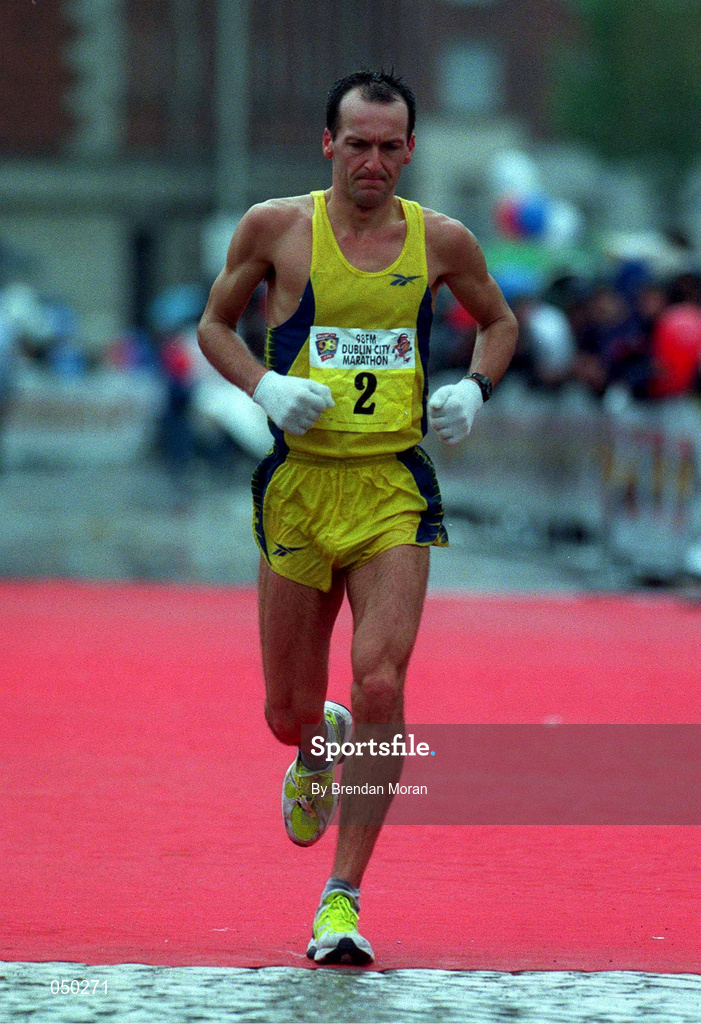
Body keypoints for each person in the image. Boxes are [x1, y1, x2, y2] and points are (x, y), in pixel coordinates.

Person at [197, 70, 518, 965]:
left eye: (389, 146)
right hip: (299, 485)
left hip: (390, 488)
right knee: (285, 710)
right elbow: (213, 327)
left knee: (382, 684)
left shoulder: (441, 240)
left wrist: (475, 389)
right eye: (358, 143)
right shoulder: (275, 228)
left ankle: (340, 898)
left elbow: (498, 323)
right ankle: (314, 744)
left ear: (409, 150)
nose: (372, 161)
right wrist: (262, 382)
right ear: (327, 143)